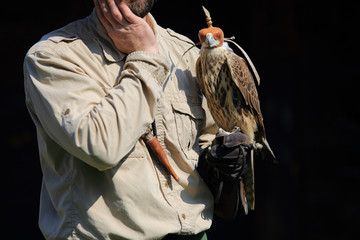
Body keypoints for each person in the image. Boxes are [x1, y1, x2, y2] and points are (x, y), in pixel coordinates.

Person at [24, 0, 250, 239]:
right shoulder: (53, 56)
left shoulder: (188, 52)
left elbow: (206, 140)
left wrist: (223, 164)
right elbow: (100, 147)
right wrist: (147, 57)